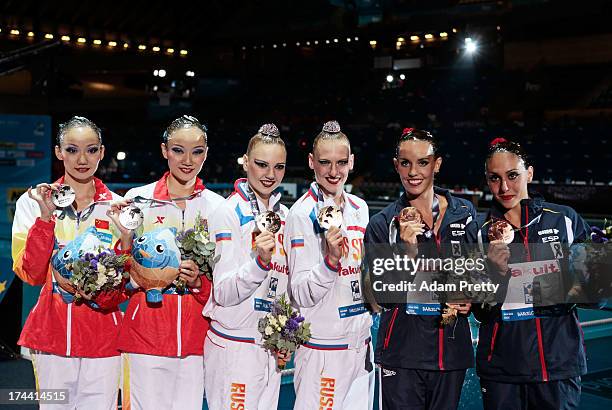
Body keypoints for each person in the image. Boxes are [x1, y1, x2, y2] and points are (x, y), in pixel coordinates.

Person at [11, 116, 129, 409]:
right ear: (58, 152)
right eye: (72, 149)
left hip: (104, 339)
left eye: (91, 150)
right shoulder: (33, 201)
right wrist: (45, 217)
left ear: (102, 153)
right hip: (52, 337)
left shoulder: (117, 206)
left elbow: (125, 280)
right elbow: (32, 273)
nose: (82, 159)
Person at [115, 115, 224, 410]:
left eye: (197, 151)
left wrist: (200, 283)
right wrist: (125, 245)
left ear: (206, 153)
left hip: (195, 341)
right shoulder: (138, 199)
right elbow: (120, 277)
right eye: (178, 150)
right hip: (145, 336)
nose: (187, 160)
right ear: (164, 150)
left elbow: (226, 279)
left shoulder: (218, 207)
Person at [364, 128, 478, 410]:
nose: (413, 172)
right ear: (396, 165)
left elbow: (478, 273)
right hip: (403, 356)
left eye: (423, 162)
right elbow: (380, 298)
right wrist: (406, 252)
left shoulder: (464, 213)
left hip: (450, 353)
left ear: (436, 164)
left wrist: (472, 296)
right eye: (405, 163)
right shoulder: (382, 223)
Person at [474, 137, 590, 410]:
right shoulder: (479, 233)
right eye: (494, 178)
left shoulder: (565, 220)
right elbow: (480, 309)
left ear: (530, 172)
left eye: (512, 175)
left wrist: (585, 277)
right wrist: (495, 274)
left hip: (557, 366)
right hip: (502, 370)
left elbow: (594, 296)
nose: (504, 187)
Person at [284, 120, 374, 410]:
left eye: (341, 162)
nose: (334, 172)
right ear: (312, 162)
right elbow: (300, 292)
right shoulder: (300, 214)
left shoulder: (361, 209)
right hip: (324, 350)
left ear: (352, 162)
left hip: (362, 347)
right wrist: (330, 261)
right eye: (325, 162)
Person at [203, 123, 289, 409]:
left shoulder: (284, 215)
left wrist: (286, 334)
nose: (270, 175)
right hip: (235, 347)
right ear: (246, 162)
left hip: (270, 347)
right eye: (262, 165)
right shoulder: (227, 213)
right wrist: (259, 263)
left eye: (279, 167)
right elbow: (224, 293)